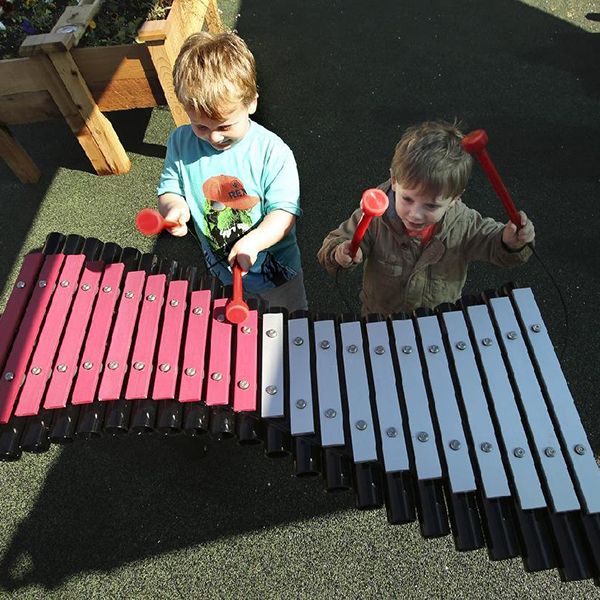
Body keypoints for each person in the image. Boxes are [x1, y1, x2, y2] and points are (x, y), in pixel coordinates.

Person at [317, 120, 535, 315]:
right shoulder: (374, 217)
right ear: (394, 181)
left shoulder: (465, 224)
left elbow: (497, 248)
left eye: (431, 205)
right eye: (408, 199)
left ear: (454, 199)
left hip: (437, 322)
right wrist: (339, 253)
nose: (415, 214)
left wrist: (511, 243)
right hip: (380, 320)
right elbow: (335, 243)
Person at [157, 32, 307, 312]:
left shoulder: (273, 153)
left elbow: (283, 214)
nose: (213, 138)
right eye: (201, 126)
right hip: (220, 269)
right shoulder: (180, 142)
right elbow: (170, 188)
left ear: (251, 103)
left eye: (225, 126)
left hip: (277, 276)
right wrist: (173, 208)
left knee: (289, 325)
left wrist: (253, 242)